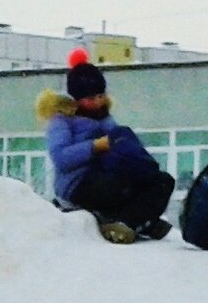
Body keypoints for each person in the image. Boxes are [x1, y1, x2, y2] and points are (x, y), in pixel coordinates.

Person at [36, 48, 175, 244]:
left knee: (161, 181)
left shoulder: (105, 118)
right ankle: (136, 219)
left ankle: (131, 222)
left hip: (109, 173)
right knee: (118, 186)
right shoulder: (62, 121)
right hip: (78, 184)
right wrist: (95, 146)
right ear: (77, 99)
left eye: (100, 95)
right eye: (91, 98)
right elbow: (61, 158)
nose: (97, 101)